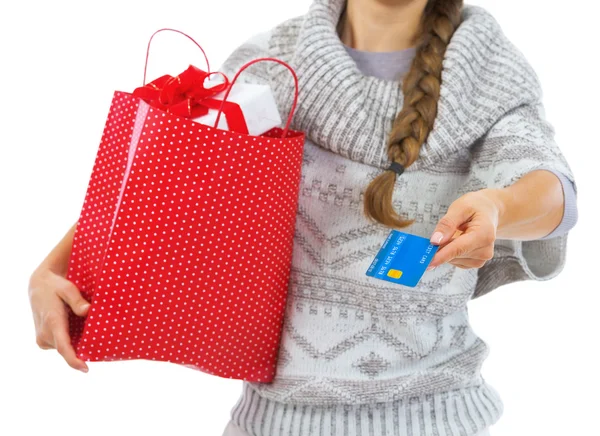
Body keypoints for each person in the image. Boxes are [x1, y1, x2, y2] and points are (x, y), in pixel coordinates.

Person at [28, 0, 578, 435]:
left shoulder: (492, 73)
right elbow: (167, 186)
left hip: (435, 418)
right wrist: (55, 265)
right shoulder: (267, 64)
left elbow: (549, 186)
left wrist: (497, 206)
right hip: (269, 420)